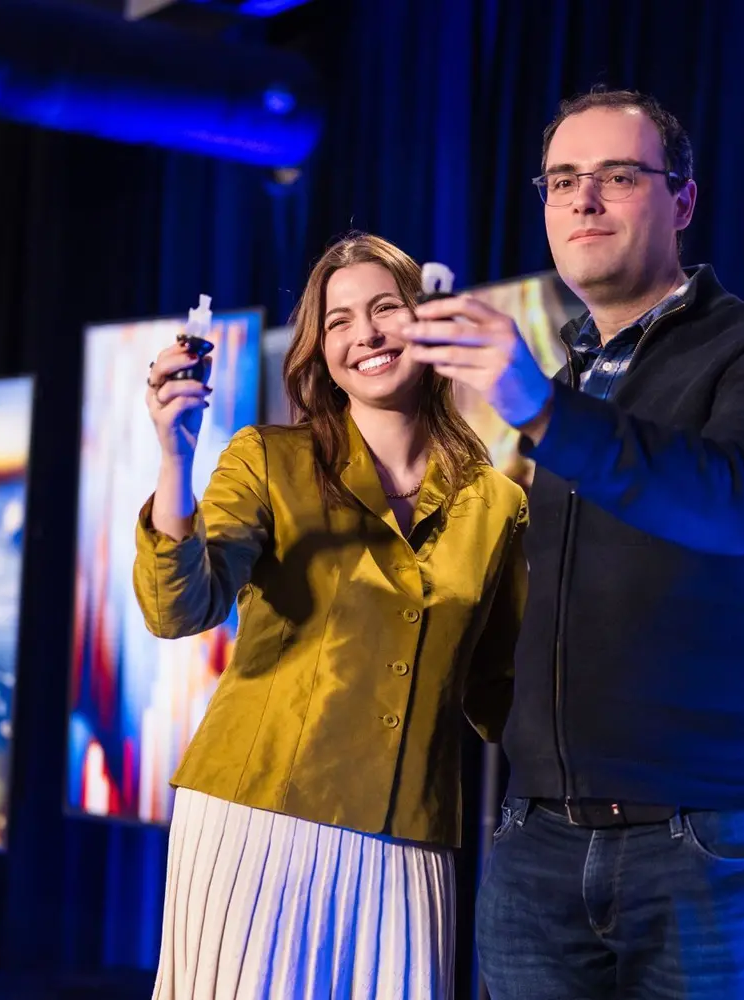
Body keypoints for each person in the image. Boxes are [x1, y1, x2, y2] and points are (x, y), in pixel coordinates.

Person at [400, 87, 744, 999]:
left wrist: (541, 413)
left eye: (617, 176)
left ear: (682, 202)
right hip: (537, 842)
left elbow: (734, 506)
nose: (583, 199)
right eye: (562, 180)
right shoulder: (565, 381)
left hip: (702, 840)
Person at [133, 233, 528, 1000]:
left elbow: (502, 695)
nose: (366, 334)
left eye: (386, 308)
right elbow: (180, 607)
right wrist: (175, 460)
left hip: (411, 838)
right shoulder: (267, 458)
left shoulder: (497, 502)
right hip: (257, 824)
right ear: (320, 349)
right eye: (339, 320)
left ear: (426, 320)